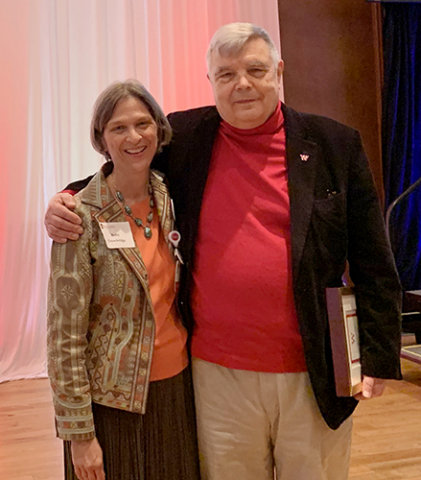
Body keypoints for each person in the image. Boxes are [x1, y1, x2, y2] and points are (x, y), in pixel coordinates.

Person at [45, 23, 402, 480]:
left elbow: (374, 259)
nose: (243, 84)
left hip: (312, 370)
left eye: (255, 69)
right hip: (215, 373)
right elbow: (124, 169)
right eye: (227, 74)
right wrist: (66, 198)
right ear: (210, 80)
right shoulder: (188, 135)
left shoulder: (335, 144)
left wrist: (376, 355)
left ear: (279, 71)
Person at [46, 80, 200, 480]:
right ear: (101, 138)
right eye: (118, 128)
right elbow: (64, 336)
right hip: (110, 405)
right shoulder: (79, 216)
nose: (134, 137)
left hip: (176, 391)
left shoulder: (171, 197)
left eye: (143, 124)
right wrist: (79, 433)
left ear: (159, 130)